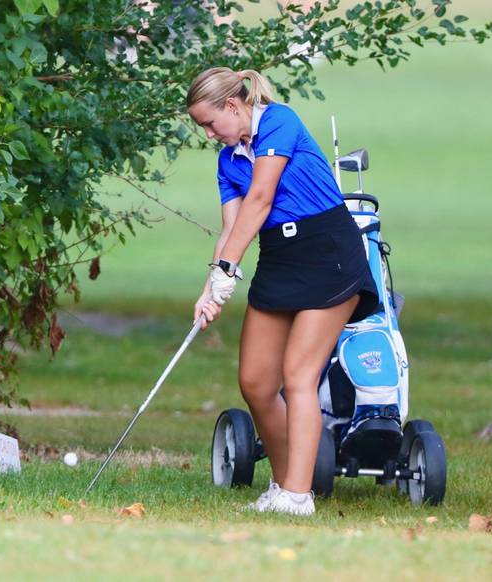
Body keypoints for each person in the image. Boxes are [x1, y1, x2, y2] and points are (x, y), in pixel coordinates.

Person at [186, 67, 378, 516]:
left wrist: (229, 270)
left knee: (298, 376)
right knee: (255, 381)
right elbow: (232, 228)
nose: (211, 134)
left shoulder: (280, 121)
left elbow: (262, 200)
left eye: (211, 123)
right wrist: (210, 289)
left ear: (233, 106)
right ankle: (283, 484)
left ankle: (298, 496)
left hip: (327, 253)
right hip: (280, 259)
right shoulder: (227, 161)